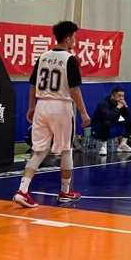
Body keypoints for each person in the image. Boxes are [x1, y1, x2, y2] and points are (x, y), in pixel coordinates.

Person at [13, 21, 91, 208]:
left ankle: (22, 190)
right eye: (74, 37)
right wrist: (83, 112)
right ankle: (65, 192)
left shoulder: (43, 57)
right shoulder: (70, 59)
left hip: (41, 105)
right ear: (67, 39)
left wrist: (31, 107)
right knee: (66, 149)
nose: (75, 41)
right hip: (61, 106)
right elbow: (74, 90)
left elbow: (32, 86)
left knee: (39, 151)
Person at [92, 87, 131, 155]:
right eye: (119, 96)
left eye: (123, 96)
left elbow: (129, 117)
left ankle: (122, 145)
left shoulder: (120, 104)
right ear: (112, 96)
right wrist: (118, 107)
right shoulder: (103, 104)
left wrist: (126, 107)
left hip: (114, 125)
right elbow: (108, 117)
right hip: (99, 127)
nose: (121, 98)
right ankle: (103, 147)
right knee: (107, 122)